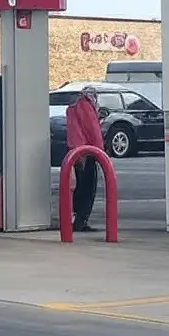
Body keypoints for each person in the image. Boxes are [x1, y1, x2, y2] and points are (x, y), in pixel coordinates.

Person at [65, 86, 106, 232]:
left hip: (75, 150)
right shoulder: (86, 106)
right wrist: (100, 152)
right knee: (88, 188)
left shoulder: (72, 107)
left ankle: (74, 218)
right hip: (87, 151)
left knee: (78, 187)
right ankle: (81, 220)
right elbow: (92, 130)